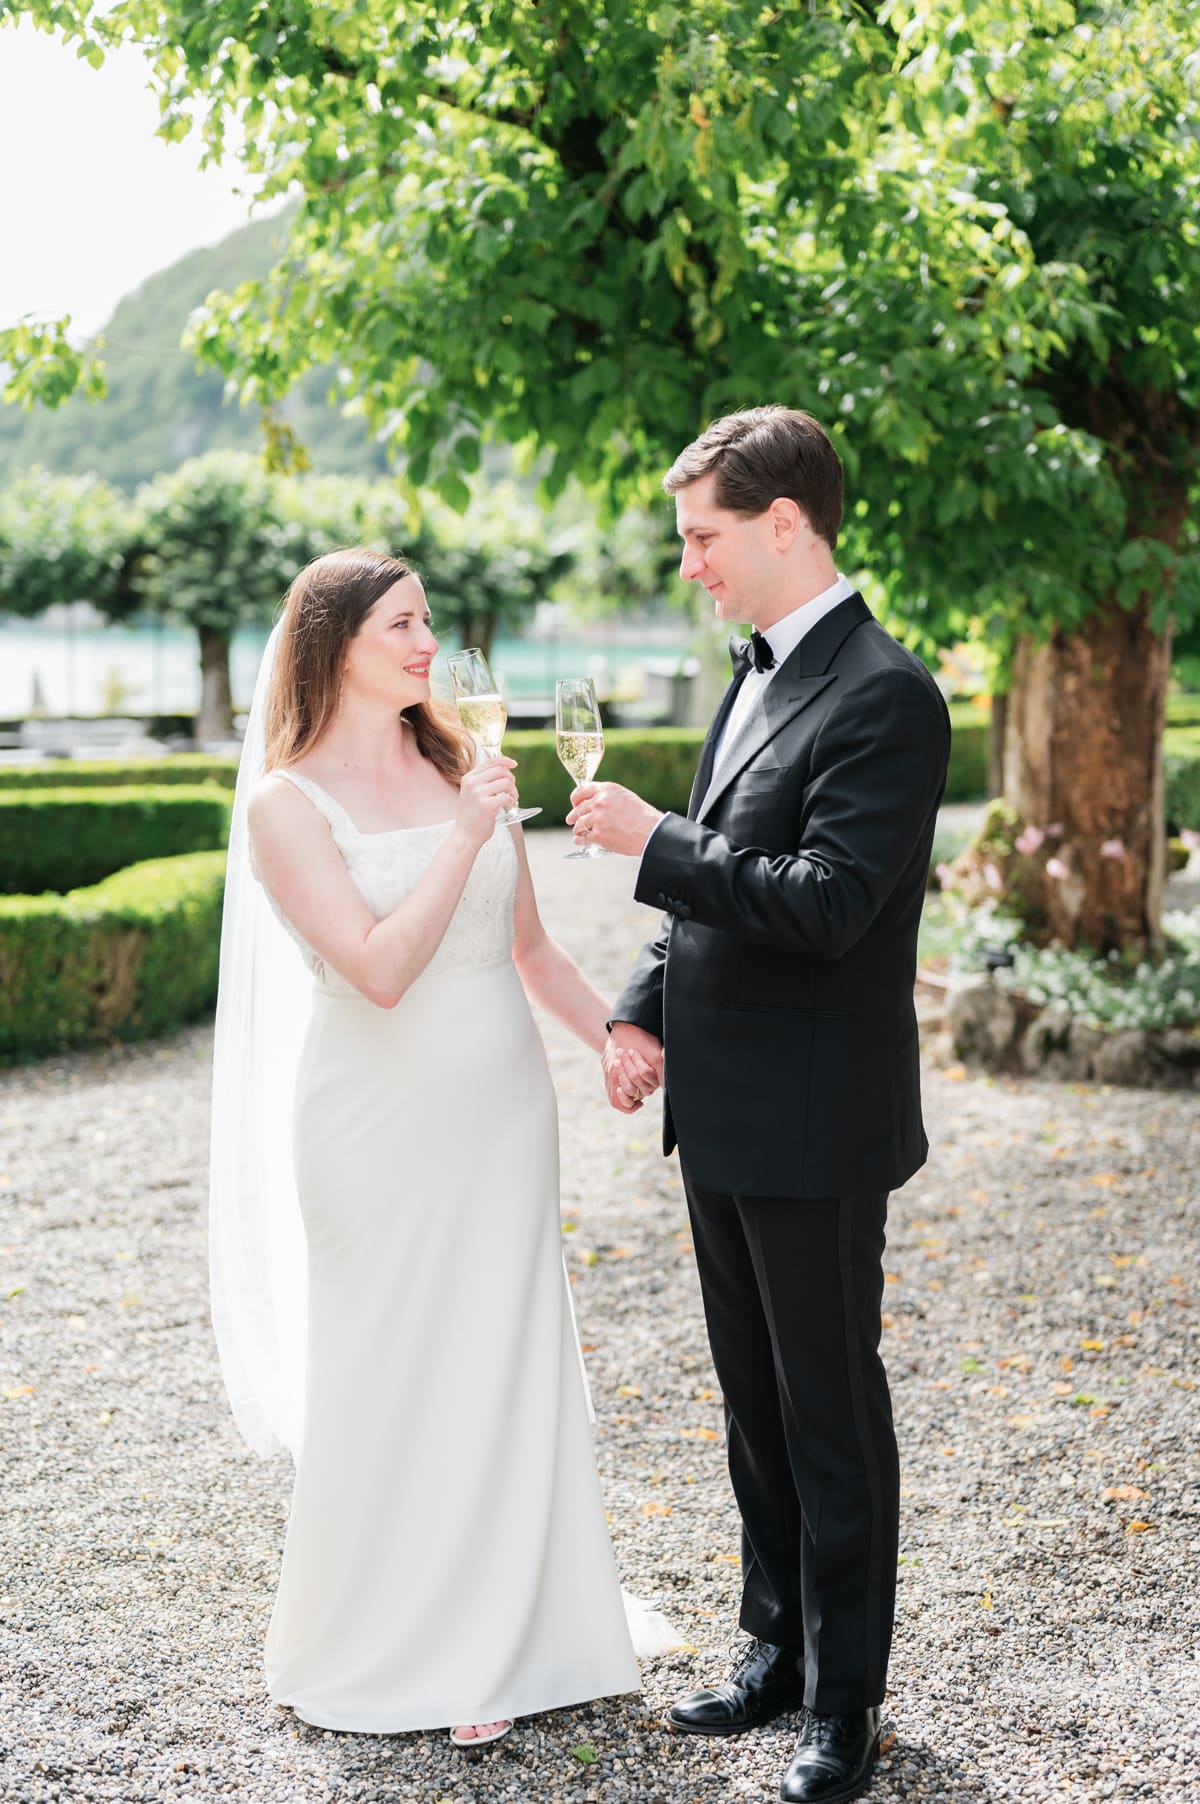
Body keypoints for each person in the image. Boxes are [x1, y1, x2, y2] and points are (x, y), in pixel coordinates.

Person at [208, 547, 666, 1747]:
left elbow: (530, 949)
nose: (427, 645)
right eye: (402, 625)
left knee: (505, 1353)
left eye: (428, 623)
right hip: (373, 1129)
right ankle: (405, 1640)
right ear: (335, 645)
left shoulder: (457, 762)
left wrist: (611, 1036)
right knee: (398, 1363)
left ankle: (519, 1628)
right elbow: (377, 969)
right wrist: (464, 834)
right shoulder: (284, 805)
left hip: (504, 1116)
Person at [568, 407, 951, 1804]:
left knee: (829, 1412)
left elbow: (831, 905)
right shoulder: (753, 675)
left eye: (704, 538)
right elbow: (710, 897)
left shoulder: (887, 693)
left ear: (785, 524)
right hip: (720, 1111)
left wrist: (651, 841)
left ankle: (844, 1707)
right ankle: (773, 1649)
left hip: (817, 1117)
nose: (693, 566)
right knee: (750, 1404)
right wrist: (635, 1005)